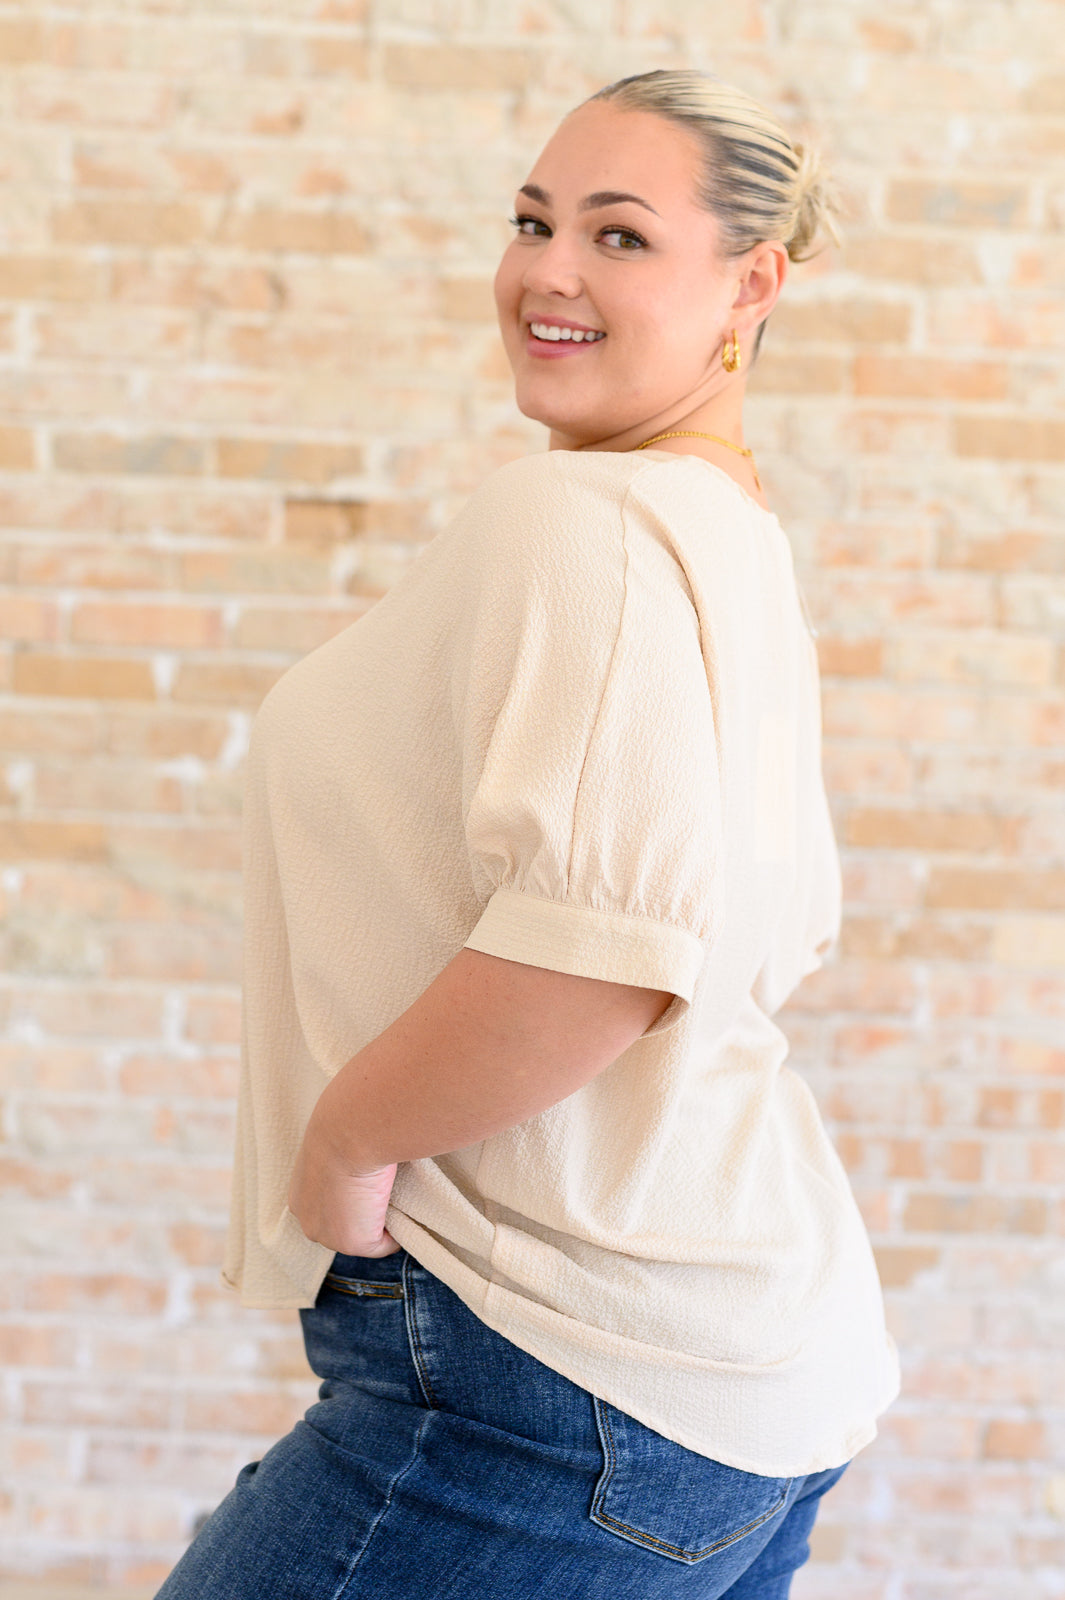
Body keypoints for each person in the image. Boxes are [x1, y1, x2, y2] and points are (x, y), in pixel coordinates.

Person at [155, 68, 900, 1600]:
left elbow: (605, 952)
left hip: (553, 1380)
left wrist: (344, 1145)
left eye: (619, 236)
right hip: (734, 1372)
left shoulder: (585, 527)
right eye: (530, 222)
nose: (547, 272)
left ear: (751, 284)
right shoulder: (725, 537)